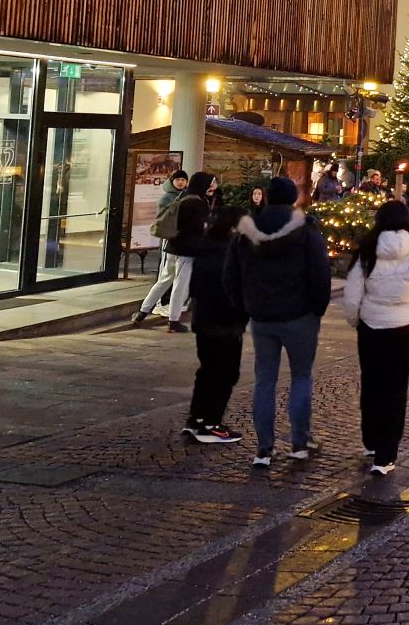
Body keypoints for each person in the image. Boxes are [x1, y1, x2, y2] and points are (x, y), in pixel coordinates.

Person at [224, 176, 332, 468]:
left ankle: (264, 448)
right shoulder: (306, 231)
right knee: (300, 377)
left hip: (261, 316)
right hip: (299, 315)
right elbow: (320, 273)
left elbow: (230, 275)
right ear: (293, 199)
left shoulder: (246, 232)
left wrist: (245, 306)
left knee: (265, 381)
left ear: (267, 197)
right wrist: (317, 308)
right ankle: (299, 442)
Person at [343, 200, 409, 476]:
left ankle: (371, 441)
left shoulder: (368, 251)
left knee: (372, 384)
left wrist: (355, 319)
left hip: (370, 325)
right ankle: (386, 454)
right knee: (395, 389)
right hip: (402, 326)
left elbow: (352, 293)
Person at [182, 205, 247, 444]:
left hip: (204, 319)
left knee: (207, 370)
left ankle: (196, 419)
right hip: (226, 322)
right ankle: (212, 424)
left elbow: (195, 286)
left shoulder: (204, 248)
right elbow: (234, 288)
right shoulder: (231, 252)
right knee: (226, 373)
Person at [134, 170, 218, 332]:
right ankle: (173, 321)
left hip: (173, 246)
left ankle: (143, 311)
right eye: (209, 183)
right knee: (181, 285)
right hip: (186, 250)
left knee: (164, 280)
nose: (211, 186)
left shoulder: (184, 196)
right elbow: (201, 228)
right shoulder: (198, 202)